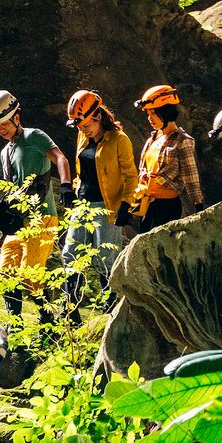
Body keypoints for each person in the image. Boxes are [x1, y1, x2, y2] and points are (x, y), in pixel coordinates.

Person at [0, 90, 72, 323]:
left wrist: (66, 185)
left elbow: (60, 158)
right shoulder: (5, 153)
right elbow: (10, 188)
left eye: (4, 123)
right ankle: (15, 324)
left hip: (42, 218)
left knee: (29, 275)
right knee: (6, 273)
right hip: (17, 223)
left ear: (16, 116)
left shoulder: (35, 137)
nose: (1, 129)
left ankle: (48, 319)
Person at [62, 90, 136, 299]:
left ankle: (110, 303)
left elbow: (131, 176)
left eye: (86, 125)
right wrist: (71, 187)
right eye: (79, 126)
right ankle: (70, 305)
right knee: (71, 254)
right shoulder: (83, 136)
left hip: (106, 206)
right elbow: (82, 169)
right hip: (83, 204)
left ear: (98, 117)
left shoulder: (119, 140)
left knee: (106, 258)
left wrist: (126, 204)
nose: (83, 129)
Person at [127, 85, 206, 231]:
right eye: (148, 114)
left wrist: (199, 206)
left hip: (167, 207)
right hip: (146, 204)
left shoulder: (183, 140)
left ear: (166, 111)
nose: (150, 118)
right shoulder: (152, 139)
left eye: (153, 113)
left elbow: (191, 177)